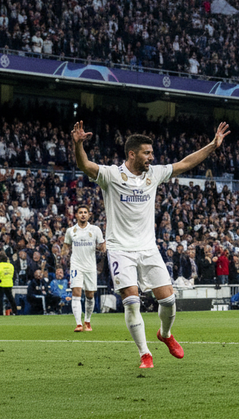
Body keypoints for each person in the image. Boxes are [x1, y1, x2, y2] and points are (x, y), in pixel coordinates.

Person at [72, 120, 230, 368]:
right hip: (120, 249)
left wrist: (212, 145)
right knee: (132, 301)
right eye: (147, 153)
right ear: (132, 154)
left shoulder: (154, 174)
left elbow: (185, 163)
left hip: (148, 248)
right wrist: (78, 145)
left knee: (168, 301)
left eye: (152, 153)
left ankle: (165, 334)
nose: (151, 157)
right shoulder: (112, 175)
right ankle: (145, 353)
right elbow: (85, 165)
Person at [62, 205, 106, 332]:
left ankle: (87, 321)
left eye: (85, 212)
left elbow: (102, 246)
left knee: (90, 295)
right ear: (76, 215)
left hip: (90, 266)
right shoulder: (71, 231)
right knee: (76, 292)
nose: (83, 214)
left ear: (89, 215)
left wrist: (102, 247)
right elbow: (66, 246)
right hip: (76, 265)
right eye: (80, 212)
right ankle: (78, 324)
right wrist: (63, 254)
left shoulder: (95, 230)